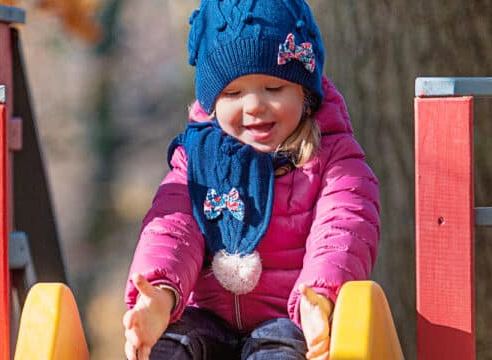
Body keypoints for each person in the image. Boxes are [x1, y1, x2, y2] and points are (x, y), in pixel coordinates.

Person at [123, 1, 380, 359]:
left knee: (280, 352)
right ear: (212, 103)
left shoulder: (332, 159)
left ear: (304, 94)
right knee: (172, 345)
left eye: (273, 88)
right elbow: (173, 230)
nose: (254, 105)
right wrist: (160, 296)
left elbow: (344, 227)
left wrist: (319, 298)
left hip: (290, 319)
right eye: (232, 93)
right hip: (206, 317)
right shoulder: (197, 159)